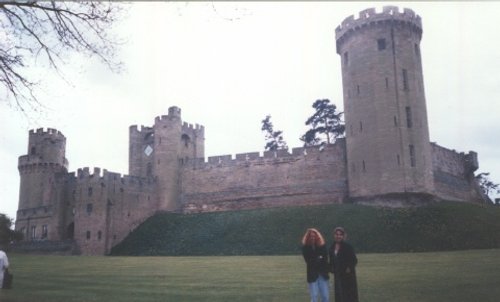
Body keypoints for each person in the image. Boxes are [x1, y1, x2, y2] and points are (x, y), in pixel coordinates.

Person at [328, 227, 358, 302]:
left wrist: (349, 268)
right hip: (338, 275)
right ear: (334, 235)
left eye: (340, 235)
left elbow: (354, 260)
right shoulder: (331, 248)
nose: (338, 236)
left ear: (343, 236)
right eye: (336, 234)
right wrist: (330, 268)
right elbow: (331, 261)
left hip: (348, 276)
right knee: (339, 294)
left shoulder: (348, 247)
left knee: (348, 295)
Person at [302, 228, 330, 302]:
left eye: (314, 236)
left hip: (323, 274)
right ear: (308, 237)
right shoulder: (305, 248)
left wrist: (317, 259)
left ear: (317, 236)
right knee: (314, 296)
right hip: (312, 275)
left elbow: (325, 259)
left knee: (325, 296)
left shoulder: (322, 246)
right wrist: (319, 258)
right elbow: (308, 261)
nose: (312, 238)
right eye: (311, 236)